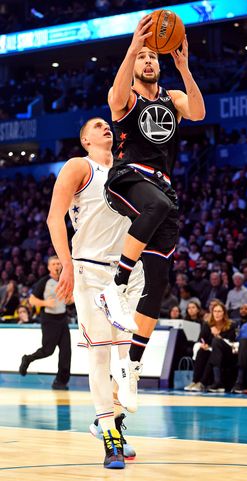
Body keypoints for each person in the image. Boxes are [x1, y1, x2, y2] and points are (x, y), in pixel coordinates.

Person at [97, 14, 205, 403]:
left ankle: (132, 368)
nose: (147, 61)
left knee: (158, 284)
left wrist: (184, 67)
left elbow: (198, 112)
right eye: (141, 57)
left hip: (163, 190)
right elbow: (113, 96)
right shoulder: (126, 97)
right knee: (155, 204)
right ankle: (116, 285)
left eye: (151, 57)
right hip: (127, 179)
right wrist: (131, 45)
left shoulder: (171, 99)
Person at [46, 118, 144, 469]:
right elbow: (54, 218)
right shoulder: (78, 166)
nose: (106, 128)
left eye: (108, 125)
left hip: (128, 271)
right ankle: (110, 437)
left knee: (126, 360)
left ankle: (110, 420)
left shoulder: (126, 170)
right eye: (97, 125)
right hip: (90, 268)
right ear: (84, 138)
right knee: (101, 356)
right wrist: (66, 264)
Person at [19, 256, 72, 391]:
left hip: (62, 319)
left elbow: (68, 301)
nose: (57, 266)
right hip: (49, 320)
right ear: (49, 267)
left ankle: (60, 382)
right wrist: (45, 303)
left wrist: (73, 299)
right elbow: (31, 300)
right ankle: (27, 359)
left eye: (59, 263)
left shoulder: (65, 281)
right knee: (48, 350)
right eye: (54, 264)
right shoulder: (44, 281)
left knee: (66, 352)